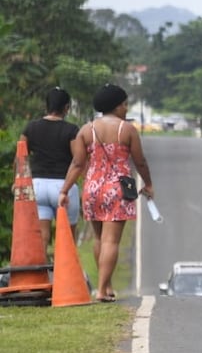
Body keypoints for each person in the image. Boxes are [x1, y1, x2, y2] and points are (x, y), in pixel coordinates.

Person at [58, 84, 155, 302]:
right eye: (124, 104)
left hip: (92, 188)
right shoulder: (126, 130)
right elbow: (140, 161)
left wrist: (65, 190)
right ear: (117, 106)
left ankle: (107, 285)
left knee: (100, 239)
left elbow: (77, 163)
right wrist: (148, 183)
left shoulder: (86, 130)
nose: (126, 108)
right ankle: (101, 290)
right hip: (117, 189)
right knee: (111, 241)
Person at [20, 87, 81, 257]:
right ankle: (64, 279)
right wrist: (67, 187)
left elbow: (21, 158)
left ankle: (41, 277)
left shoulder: (31, 128)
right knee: (67, 239)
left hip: (37, 186)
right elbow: (78, 160)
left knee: (42, 237)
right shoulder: (71, 130)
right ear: (67, 108)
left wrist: (18, 183)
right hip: (63, 186)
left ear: (46, 106)